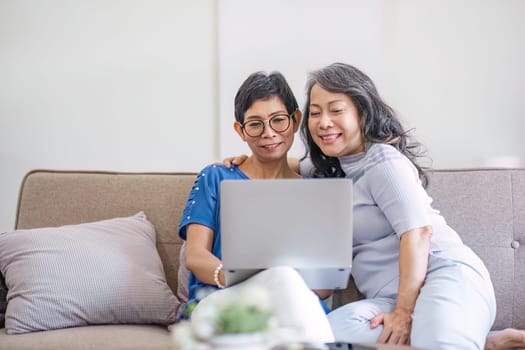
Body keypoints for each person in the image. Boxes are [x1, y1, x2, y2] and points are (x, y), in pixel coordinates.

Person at [225, 63, 525, 350]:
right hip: (386, 299)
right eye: (315, 113)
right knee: (315, 340)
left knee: (439, 346)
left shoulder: (383, 162)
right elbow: (290, 166)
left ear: (362, 113)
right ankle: (478, 339)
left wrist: (404, 314)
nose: (323, 122)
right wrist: (245, 162)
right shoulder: (329, 170)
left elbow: (417, 233)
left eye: (336, 110)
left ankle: (453, 331)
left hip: (442, 276)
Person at [178, 70, 334, 344]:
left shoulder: (313, 190)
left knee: (285, 280)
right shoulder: (216, 177)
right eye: (255, 124)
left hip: (288, 302)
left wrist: (280, 278)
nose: (269, 133)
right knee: (283, 279)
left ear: (295, 120)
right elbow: (195, 256)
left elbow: (321, 288)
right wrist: (237, 280)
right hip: (220, 300)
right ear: (240, 130)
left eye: (278, 120)